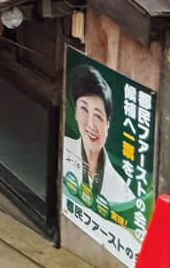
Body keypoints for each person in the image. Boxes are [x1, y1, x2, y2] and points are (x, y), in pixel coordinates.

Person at [63, 64, 137, 230]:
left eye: (98, 115)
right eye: (83, 109)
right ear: (74, 112)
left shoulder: (124, 194)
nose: (91, 124)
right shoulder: (62, 149)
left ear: (108, 123)